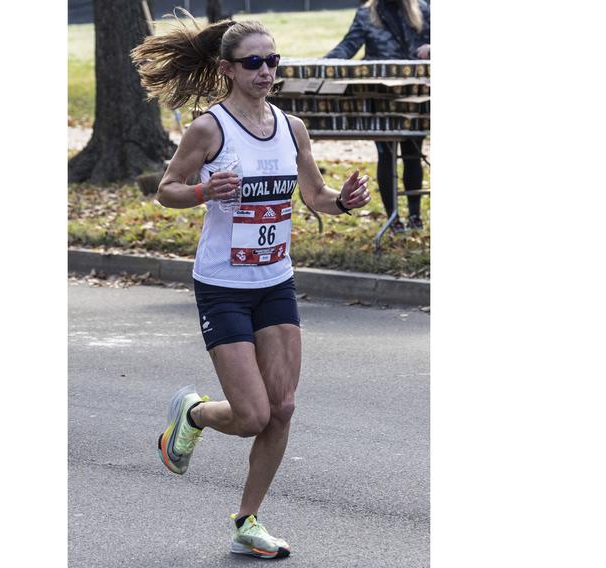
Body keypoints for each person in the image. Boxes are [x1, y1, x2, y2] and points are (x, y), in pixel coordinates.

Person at [131, 13, 370, 560]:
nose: (266, 72)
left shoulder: (292, 128)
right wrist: (204, 191)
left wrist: (342, 202)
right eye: (254, 63)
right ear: (229, 69)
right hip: (222, 285)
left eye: (273, 61)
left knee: (282, 407)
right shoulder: (209, 129)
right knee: (252, 416)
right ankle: (191, 415)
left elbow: (314, 194)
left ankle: (247, 521)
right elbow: (167, 189)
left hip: (275, 281)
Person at [326, 0, 431, 231]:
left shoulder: (423, 9)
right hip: (381, 100)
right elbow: (347, 47)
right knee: (385, 156)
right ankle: (393, 219)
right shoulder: (366, 13)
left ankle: (415, 216)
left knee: (413, 154)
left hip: (416, 98)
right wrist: (321, 65)